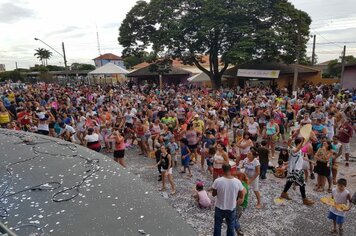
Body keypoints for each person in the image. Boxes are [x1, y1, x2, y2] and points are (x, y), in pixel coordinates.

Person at [280, 137, 315, 205]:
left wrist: (311, 161)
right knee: (302, 184)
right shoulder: (294, 149)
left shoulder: (300, 151)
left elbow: (302, 157)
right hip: (295, 170)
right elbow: (295, 149)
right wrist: (301, 142)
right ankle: (304, 199)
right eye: (302, 143)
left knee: (290, 182)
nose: (304, 144)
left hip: (296, 169)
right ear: (299, 143)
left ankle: (284, 193)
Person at [212, 164, 244, 236]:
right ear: (231, 170)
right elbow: (241, 196)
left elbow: (213, 194)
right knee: (230, 225)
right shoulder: (237, 182)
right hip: (231, 207)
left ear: (222, 170)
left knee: (217, 225)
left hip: (219, 207)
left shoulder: (217, 181)